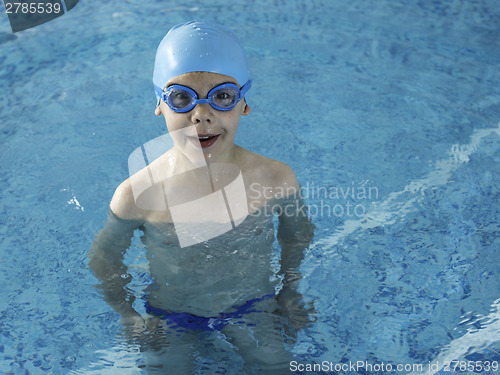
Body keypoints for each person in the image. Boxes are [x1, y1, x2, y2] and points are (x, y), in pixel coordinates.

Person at [88, 20, 314, 374]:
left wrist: (290, 289)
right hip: (172, 313)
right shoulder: (136, 194)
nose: (201, 115)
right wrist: (127, 313)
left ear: (244, 103)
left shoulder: (275, 178)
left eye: (222, 95)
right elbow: (104, 258)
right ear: (159, 104)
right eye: (182, 98)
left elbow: (297, 235)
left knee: (276, 367)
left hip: (252, 305)